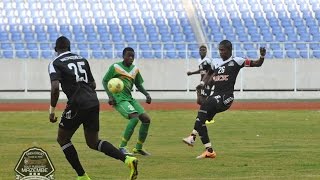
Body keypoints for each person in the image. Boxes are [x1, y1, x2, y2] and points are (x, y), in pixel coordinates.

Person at [48, 36, 138, 180]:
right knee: (93, 142)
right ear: (70, 47)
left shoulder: (55, 63)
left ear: (55, 49)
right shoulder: (82, 59)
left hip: (77, 103)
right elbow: (93, 84)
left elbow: (55, 88)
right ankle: (127, 160)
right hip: (92, 101)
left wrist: (52, 111)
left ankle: (82, 176)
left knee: (63, 139)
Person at [183, 40, 266, 159]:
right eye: (219, 50)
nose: (221, 52)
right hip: (216, 95)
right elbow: (209, 73)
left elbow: (257, 63)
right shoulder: (215, 62)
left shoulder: (237, 61)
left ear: (229, 50)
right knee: (201, 119)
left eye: (223, 50)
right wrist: (202, 83)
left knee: (205, 105)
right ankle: (209, 150)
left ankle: (192, 137)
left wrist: (262, 56)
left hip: (226, 97)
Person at [102, 47, 152, 156]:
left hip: (129, 98)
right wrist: (110, 96)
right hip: (119, 99)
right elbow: (105, 80)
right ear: (123, 56)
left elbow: (138, 84)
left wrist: (146, 94)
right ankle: (122, 147)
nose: (131, 58)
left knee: (146, 119)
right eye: (128, 55)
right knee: (134, 118)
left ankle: (138, 147)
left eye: (133, 56)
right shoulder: (115, 67)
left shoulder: (135, 70)